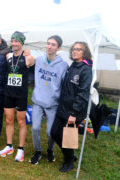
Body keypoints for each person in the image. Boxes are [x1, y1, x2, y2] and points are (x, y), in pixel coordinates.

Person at [51, 42, 93, 172]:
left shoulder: (85, 69)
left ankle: (69, 161)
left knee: (67, 136)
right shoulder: (73, 65)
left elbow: (83, 93)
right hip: (63, 107)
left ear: (84, 52)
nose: (75, 51)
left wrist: (73, 114)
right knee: (54, 133)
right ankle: (70, 155)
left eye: (79, 49)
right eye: (73, 49)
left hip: (74, 110)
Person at [30, 35, 68, 165]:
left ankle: (50, 149)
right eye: (48, 43)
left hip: (53, 103)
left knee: (50, 131)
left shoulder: (63, 66)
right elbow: (28, 62)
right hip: (38, 101)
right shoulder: (39, 60)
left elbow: (64, 86)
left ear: (59, 48)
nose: (49, 46)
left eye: (53, 44)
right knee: (35, 128)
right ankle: (37, 151)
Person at [0, 31, 35, 162]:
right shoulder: (8, 55)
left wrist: (28, 52)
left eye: (17, 41)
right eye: (12, 41)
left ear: (22, 43)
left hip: (21, 95)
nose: (14, 43)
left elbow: (35, 65)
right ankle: (9, 146)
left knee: (21, 121)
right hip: (8, 93)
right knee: (8, 120)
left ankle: (21, 148)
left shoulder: (28, 58)